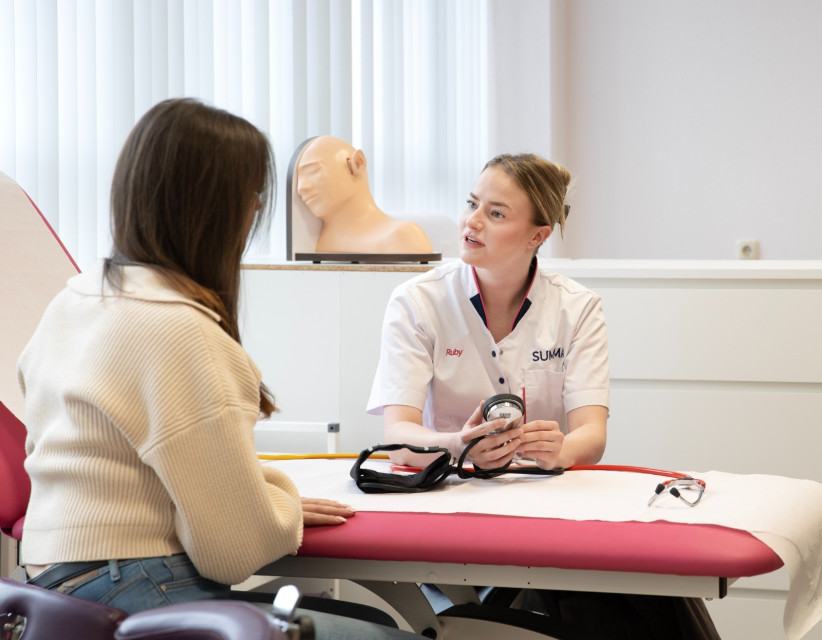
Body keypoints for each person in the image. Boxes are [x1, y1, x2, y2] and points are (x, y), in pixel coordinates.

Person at [17, 98, 424, 639]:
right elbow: (234, 551)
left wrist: (250, 499)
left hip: (55, 588)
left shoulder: (75, 300)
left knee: (366, 620)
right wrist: (272, 499)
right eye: (255, 200)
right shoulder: (181, 331)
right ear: (224, 210)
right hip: (136, 583)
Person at [366, 153, 720, 639]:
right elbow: (398, 435)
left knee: (650, 592)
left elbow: (591, 436)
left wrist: (561, 450)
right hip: (451, 507)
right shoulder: (417, 301)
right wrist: (457, 444)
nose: (471, 222)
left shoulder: (577, 307)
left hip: (544, 510)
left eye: (496, 213)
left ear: (539, 235)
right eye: (472, 204)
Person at [295, 135, 434, 254]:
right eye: (299, 179)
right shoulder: (318, 244)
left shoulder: (404, 237)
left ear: (358, 163)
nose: (301, 188)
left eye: (313, 171)